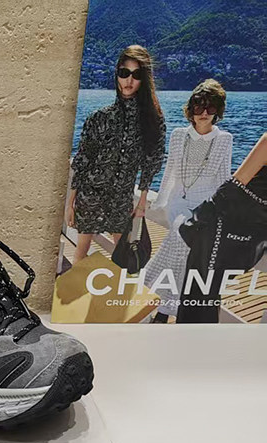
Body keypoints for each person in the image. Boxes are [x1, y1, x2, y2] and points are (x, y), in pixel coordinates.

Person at [143, 80, 232, 322]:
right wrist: (159, 201)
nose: (204, 113)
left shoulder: (224, 139)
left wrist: (225, 213)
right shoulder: (178, 136)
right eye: (199, 106)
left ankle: (159, 304)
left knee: (183, 249)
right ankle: (167, 308)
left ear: (217, 111)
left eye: (211, 107)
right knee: (181, 234)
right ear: (191, 109)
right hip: (179, 203)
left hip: (206, 206)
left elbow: (224, 178)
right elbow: (170, 171)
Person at [68, 45, 166, 263]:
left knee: (122, 259)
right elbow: (82, 160)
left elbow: (152, 162)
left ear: (144, 79)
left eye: (136, 75)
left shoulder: (152, 121)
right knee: (81, 253)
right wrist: (70, 203)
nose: (129, 80)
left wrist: (142, 202)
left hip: (121, 199)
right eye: (124, 73)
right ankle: (75, 287)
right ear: (117, 75)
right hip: (90, 195)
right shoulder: (99, 118)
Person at [177, 133, 267, 323]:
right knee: (203, 293)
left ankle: (191, 339)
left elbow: (234, 185)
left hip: (232, 227)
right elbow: (235, 187)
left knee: (200, 293)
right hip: (242, 230)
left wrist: (201, 214)